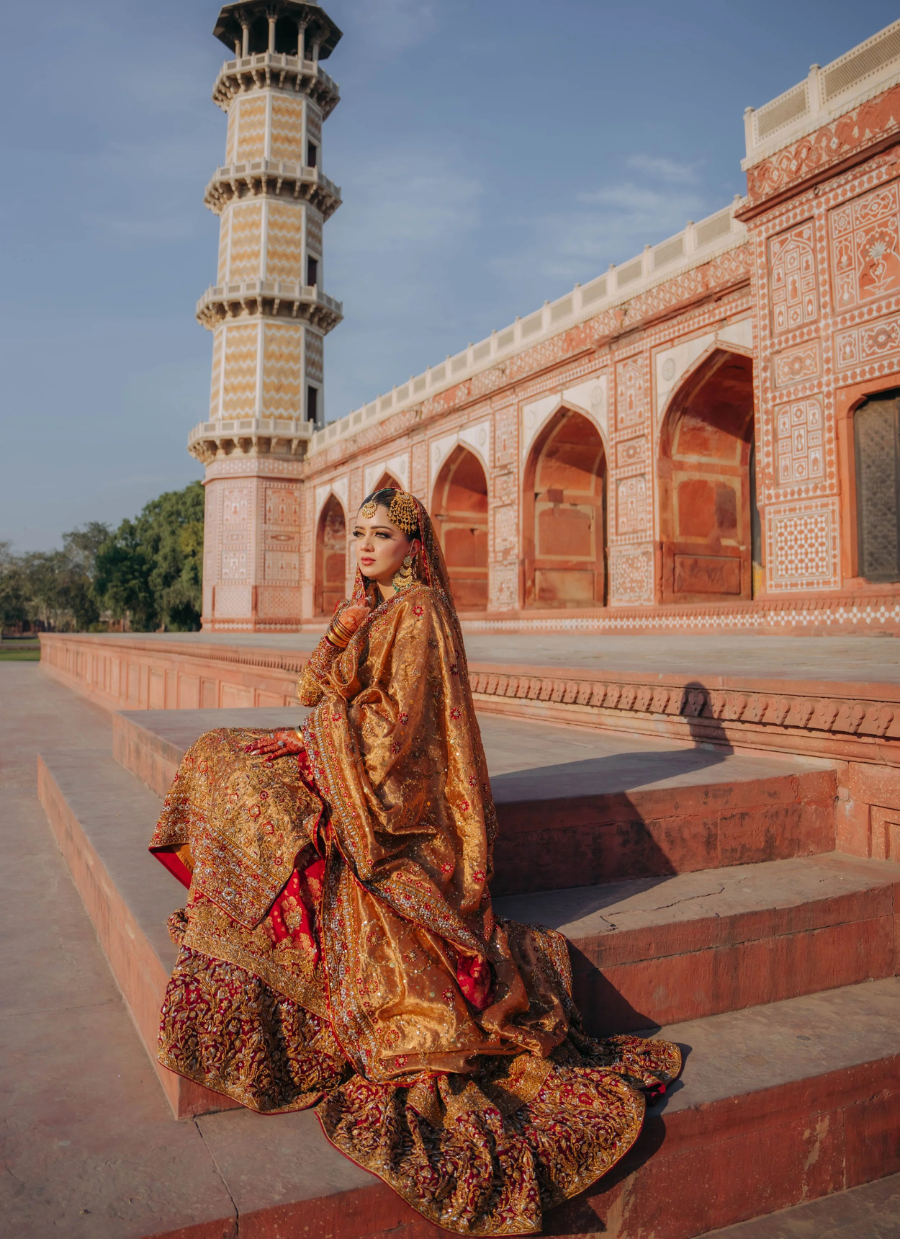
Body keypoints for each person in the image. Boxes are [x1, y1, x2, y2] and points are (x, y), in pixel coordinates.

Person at [150, 488, 680, 1236]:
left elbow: (396, 734)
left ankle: (276, 917)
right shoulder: (379, 608)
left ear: (413, 545)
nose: (363, 546)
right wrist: (341, 629)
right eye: (357, 534)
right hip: (354, 772)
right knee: (218, 758)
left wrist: (312, 748)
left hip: (399, 808)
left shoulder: (422, 610)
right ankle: (249, 906)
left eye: (380, 536)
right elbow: (313, 690)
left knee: (241, 774)